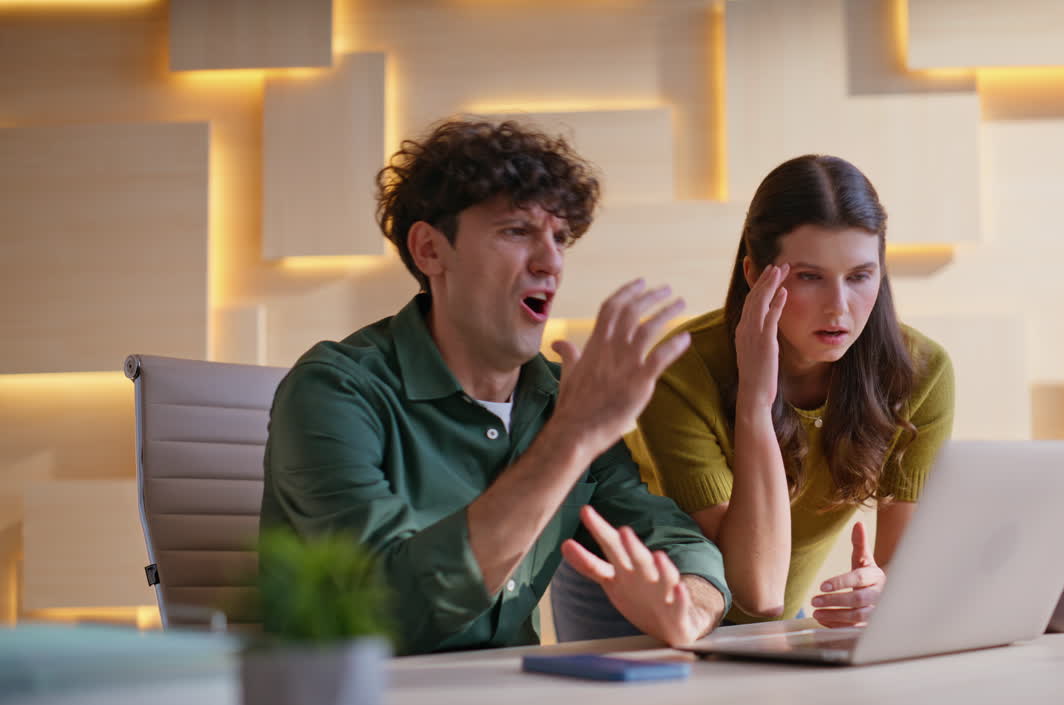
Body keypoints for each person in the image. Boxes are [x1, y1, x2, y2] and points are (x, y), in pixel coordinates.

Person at [259, 119, 729, 655]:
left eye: (559, 237)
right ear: (430, 250)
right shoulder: (333, 391)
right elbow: (385, 611)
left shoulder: (559, 400)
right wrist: (569, 440)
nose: (551, 261)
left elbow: (673, 539)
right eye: (516, 231)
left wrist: (689, 606)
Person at [552, 154, 954, 637]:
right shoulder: (682, 370)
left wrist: (880, 590)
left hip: (772, 604)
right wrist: (755, 402)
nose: (839, 307)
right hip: (637, 587)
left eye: (860, 276)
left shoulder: (921, 373)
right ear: (754, 273)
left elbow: (898, 573)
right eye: (809, 276)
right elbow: (751, 588)